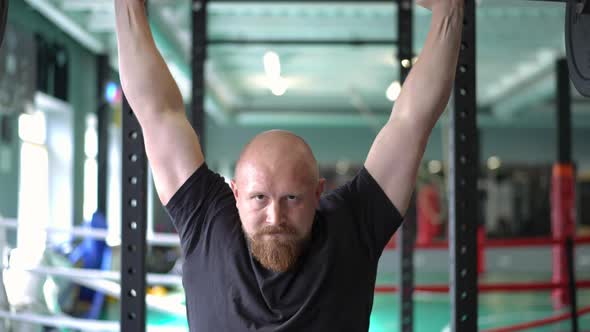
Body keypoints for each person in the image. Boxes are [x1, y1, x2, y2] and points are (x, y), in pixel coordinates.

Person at [114, 0, 464, 330]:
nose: (275, 217)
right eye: (259, 198)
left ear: (317, 193)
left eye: (292, 199)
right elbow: (157, 112)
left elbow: (411, 122)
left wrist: (448, 11)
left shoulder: (353, 226)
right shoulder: (206, 219)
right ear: (236, 193)